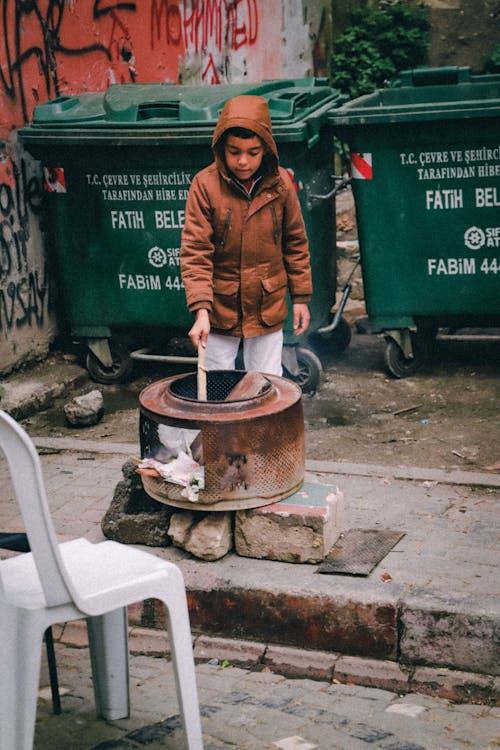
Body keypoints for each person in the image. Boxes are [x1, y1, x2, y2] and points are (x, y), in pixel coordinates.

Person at [180, 94, 312, 375]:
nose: (242, 161)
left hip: (268, 305)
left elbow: (296, 243)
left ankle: (261, 422)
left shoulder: (281, 184)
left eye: (253, 152)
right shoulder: (204, 185)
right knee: (217, 385)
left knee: (266, 385)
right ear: (220, 148)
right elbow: (195, 252)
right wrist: (201, 310)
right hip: (220, 308)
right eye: (233, 151)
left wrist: (300, 297)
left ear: (266, 149)